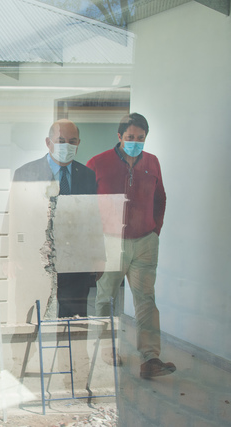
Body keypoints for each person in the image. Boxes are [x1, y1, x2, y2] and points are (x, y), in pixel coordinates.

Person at [87, 113, 175, 379]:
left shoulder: (152, 162)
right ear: (119, 137)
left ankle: (151, 359)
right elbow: (87, 206)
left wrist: (155, 230)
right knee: (105, 298)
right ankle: (106, 349)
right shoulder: (98, 163)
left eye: (140, 138)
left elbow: (160, 198)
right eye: (130, 138)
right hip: (110, 242)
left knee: (146, 300)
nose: (135, 142)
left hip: (145, 243)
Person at [13, 119, 99, 317]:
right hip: (36, 259)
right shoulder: (26, 173)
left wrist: (97, 257)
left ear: (78, 143)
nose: (66, 146)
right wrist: (12, 256)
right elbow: (15, 217)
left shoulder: (87, 175)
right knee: (30, 317)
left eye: (72, 141)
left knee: (74, 323)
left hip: (75, 264)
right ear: (48, 142)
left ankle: (73, 349)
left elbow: (93, 218)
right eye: (60, 140)